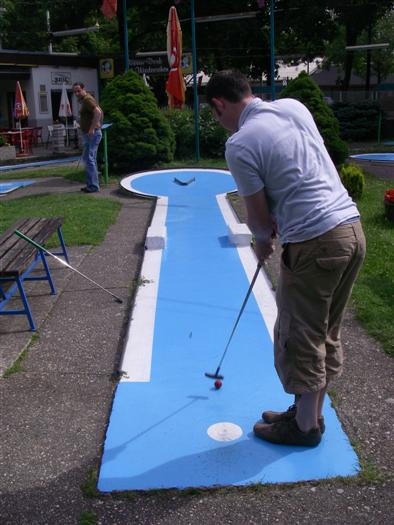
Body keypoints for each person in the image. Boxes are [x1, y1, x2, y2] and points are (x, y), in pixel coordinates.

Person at [206, 70, 366, 447]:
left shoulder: (240, 143)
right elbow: (299, 167)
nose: (220, 123)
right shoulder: (292, 107)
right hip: (351, 230)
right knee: (324, 329)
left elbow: (259, 219)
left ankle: (305, 428)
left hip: (315, 241)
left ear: (219, 105)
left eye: (216, 115)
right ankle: (311, 412)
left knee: (300, 335)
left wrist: (262, 241)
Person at [72, 82, 103, 193]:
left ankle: (94, 186)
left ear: (83, 89)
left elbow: (98, 113)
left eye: (78, 90)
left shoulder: (87, 99)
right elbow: (100, 112)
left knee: (90, 159)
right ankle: (90, 185)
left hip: (92, 134)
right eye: (75, 91)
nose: (76, 93)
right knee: (88, 159)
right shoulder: (84, 100)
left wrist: (92, 128)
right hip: (89, 133)